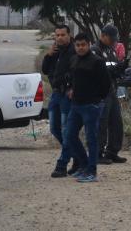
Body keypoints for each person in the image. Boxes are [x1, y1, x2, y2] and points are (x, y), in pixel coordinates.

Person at [64, 33, 111, 183]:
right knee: (69, 135)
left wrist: (98, 99)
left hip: (91, 106)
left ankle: (92, 171)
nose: (80, 48)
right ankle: (83, 165)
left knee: (91, 139)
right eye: (77, 45)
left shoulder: (97, 62)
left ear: (89, 44)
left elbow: (106, 84)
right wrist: (70, 88)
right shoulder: (73, 60)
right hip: (76, 105)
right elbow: (71, 78)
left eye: (83, 44)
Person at [41, 24, 78, 177]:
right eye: (57, 35)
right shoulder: (55, 51)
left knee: (66, 130)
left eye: (63, 35)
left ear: (69, 35)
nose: (60, 38)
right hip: (56, 94)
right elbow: (44, 70)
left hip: (67, 95)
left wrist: (73, 87)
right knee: (54, 128)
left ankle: (62, 164)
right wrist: (48, 55)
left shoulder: (74, 51)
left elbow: (78, 72)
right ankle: (78, 156)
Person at [92, 24, 128, 164]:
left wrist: (123, 70)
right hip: (101, 93)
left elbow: (114, 69)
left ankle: (112, 151)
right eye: (111, 38)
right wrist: (112, 72)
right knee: (102, 123)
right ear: (103, 35)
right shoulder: (95, 51)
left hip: (112, 90)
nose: (114, 41)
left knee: (116, 122)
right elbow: (98, 72)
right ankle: (97, 153)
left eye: (115, 38)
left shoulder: (111, 50)